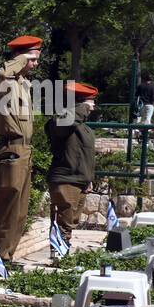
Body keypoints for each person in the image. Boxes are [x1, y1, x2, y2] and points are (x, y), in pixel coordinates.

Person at [0, 35, 42, 271]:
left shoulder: (23, 83)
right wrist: (21, 59)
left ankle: (7, 256)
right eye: (33, 59)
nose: (35, 64)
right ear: (21, 57)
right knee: (7, 206)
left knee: (20, 210)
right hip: (12, 147)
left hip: (24, 149)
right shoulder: (6, 81)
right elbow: (2, 73)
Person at [46, 81, 99, 250]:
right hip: (65, 180)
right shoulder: (60, 120)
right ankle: (58, 254)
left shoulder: (84, 128)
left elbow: (85, 155)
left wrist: (88, 179)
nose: (93, 105)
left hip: (79, 180)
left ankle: (64, 252)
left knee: (71, 223)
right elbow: (65, 123)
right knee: (63, 222)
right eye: (90, 102)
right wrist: (82, 107)